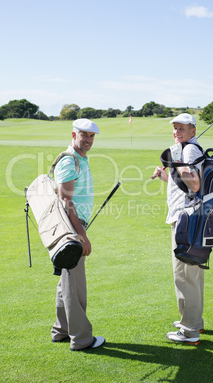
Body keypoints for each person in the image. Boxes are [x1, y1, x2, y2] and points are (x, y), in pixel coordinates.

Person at [51, 118, 105, 351]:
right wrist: (82, 236)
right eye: (84, 135)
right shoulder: (70, 161)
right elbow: (66, 201)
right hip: (72, 228)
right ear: (73, 135)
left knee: (66, 281)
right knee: (75, 285)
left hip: (74, 225)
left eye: (92, 136)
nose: (89, 140)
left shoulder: (80, 158)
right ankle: (82, 339)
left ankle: (61, 330)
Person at [152, 113, 204, 345]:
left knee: (184, 275)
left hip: (187, 220)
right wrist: (167, 174)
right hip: (189, 217)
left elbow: (194, 182)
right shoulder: (185, 150)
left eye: (182, 128)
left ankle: (190, 330)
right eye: (175, 128)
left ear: (193, 130)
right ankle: (193, 320)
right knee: (191, 274)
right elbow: (184, 184)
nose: (177, 132)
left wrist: (177, 160)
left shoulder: (188, 150)